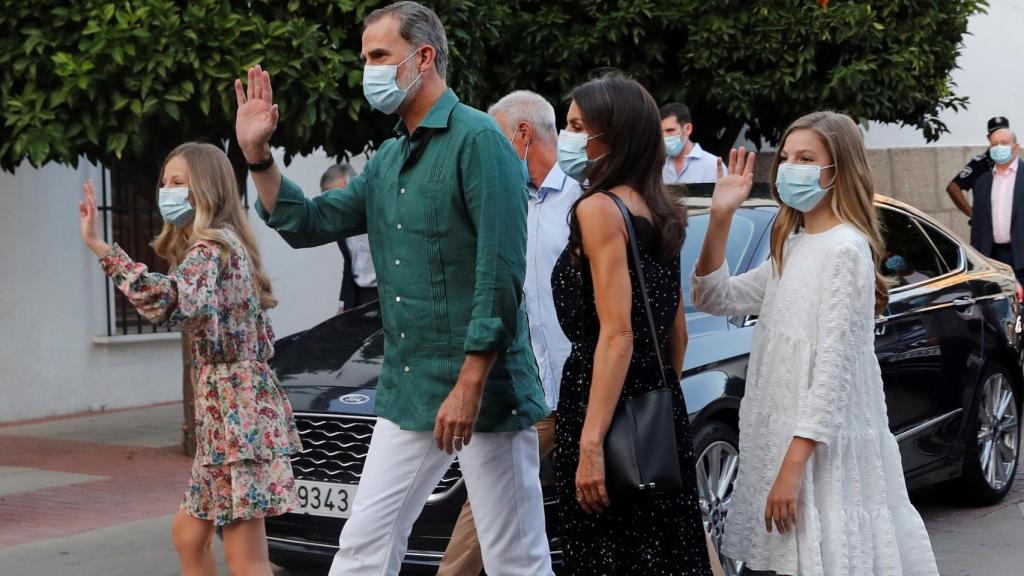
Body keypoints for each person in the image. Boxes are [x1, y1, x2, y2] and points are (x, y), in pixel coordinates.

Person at [232, 2, 554, 575]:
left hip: (483, 391)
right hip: (409, 385)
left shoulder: (480, 139)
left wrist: (470, 382)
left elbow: (501, 272)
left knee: (514, 559)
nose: (368, 70)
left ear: (423, 57)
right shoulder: (389, 160)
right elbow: (309, 222)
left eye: (379, 56)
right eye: (365, 58)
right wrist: (257, 154)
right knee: (363, 547)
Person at [691, 112, 939, 576]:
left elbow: (833, 371)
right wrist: (720, 216)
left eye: (806, 158)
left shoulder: (846, 249)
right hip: (783, 438)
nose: (791, 168)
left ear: (837, 170)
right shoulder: (792, 243)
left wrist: (792, 469)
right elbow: (711, 295)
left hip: (822, 451)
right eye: (786, 158)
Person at [77, 142, 302, 576]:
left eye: (179, 183)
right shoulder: (224, 245)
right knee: (189, 534)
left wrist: (103, 249)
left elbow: (170, 300)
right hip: (230, 411)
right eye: (165, 183)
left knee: (245, 557)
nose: (168, 191)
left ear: (207, 189)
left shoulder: (210, 248)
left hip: (236, 416)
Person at [549, 74, 712, 575]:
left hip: (601, 403)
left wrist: (591, 442)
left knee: (606, 554)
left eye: (578, 126)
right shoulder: (663, 209)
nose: (568, 136)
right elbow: (676, 333)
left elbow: (617, 334)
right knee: (665, 556)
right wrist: (656, 401)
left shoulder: (599, 209)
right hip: (658, 406)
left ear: (611, 135)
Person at [436, 90, 580, 575]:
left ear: (521, 135)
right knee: (486, 507)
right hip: (531, 391)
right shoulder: (499, 201)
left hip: (584, 385)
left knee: (647, 491)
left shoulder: (582, 200)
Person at [968, 127, 1024, 285]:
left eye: (1004, 143)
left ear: (1016, 147)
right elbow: (977, 226)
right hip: (993, 259)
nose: (999, 147)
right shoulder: (981, 182)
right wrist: (978, 259)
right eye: (994, 144)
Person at [320, 163, 377, 314]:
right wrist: (344, 303)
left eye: (339, 196)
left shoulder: (377, 217)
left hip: (386, 294)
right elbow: (349, 264)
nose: (335, 204)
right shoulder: (340, 224)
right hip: (358, 296)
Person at [946, 116, 1011, 218]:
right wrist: (972, 215)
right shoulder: (980, 164)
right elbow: (953, 188)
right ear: (989, 137)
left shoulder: (1016, 163)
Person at [661, 102, 724, 184]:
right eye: (661, 132)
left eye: (670, 130)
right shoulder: (659, 168)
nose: (664, 136)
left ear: (687, 129)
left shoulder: (714, 166)